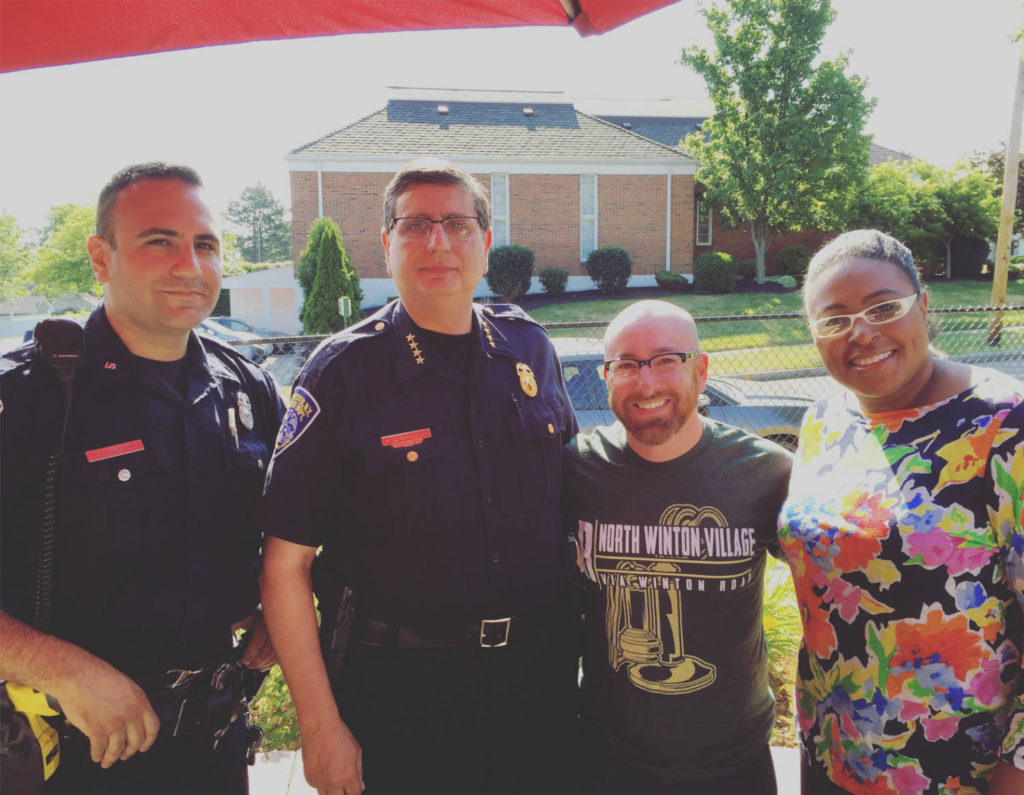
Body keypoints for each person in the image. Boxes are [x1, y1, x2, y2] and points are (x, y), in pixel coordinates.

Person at [258, 157, 580, 795]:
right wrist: (320, 726)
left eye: (458, 224)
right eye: (415, 226)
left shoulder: (529, 349)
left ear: (485, 245)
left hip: (536, 684)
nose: (438, 242)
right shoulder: (343, 373)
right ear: (387, 245)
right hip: (400, 696)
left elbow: (573, 500)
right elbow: (284, 565)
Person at [0, 163, 284, 794]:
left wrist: (279, 606)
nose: (190, 264)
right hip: (71, 750)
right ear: (101, 258)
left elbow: (297, 525)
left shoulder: (248, 389)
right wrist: (64, 670)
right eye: (160, 241)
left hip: (212, 741)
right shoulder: (30, 397)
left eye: (205, 244)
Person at [778, 229, 1024, 795]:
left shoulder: (1001, 424)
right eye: (833, 319)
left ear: (924, 305)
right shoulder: (825, 419)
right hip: (832, 752)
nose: (861, 332)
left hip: (956, 772)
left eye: (884, 307)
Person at [562, 299, 793, 795]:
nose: (646, 383)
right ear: (607, 377)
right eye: (626, 364)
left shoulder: (767, 473)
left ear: (701, 369)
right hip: (608, 755)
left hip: (733, 762)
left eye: (667, 359)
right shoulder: (575, 469)